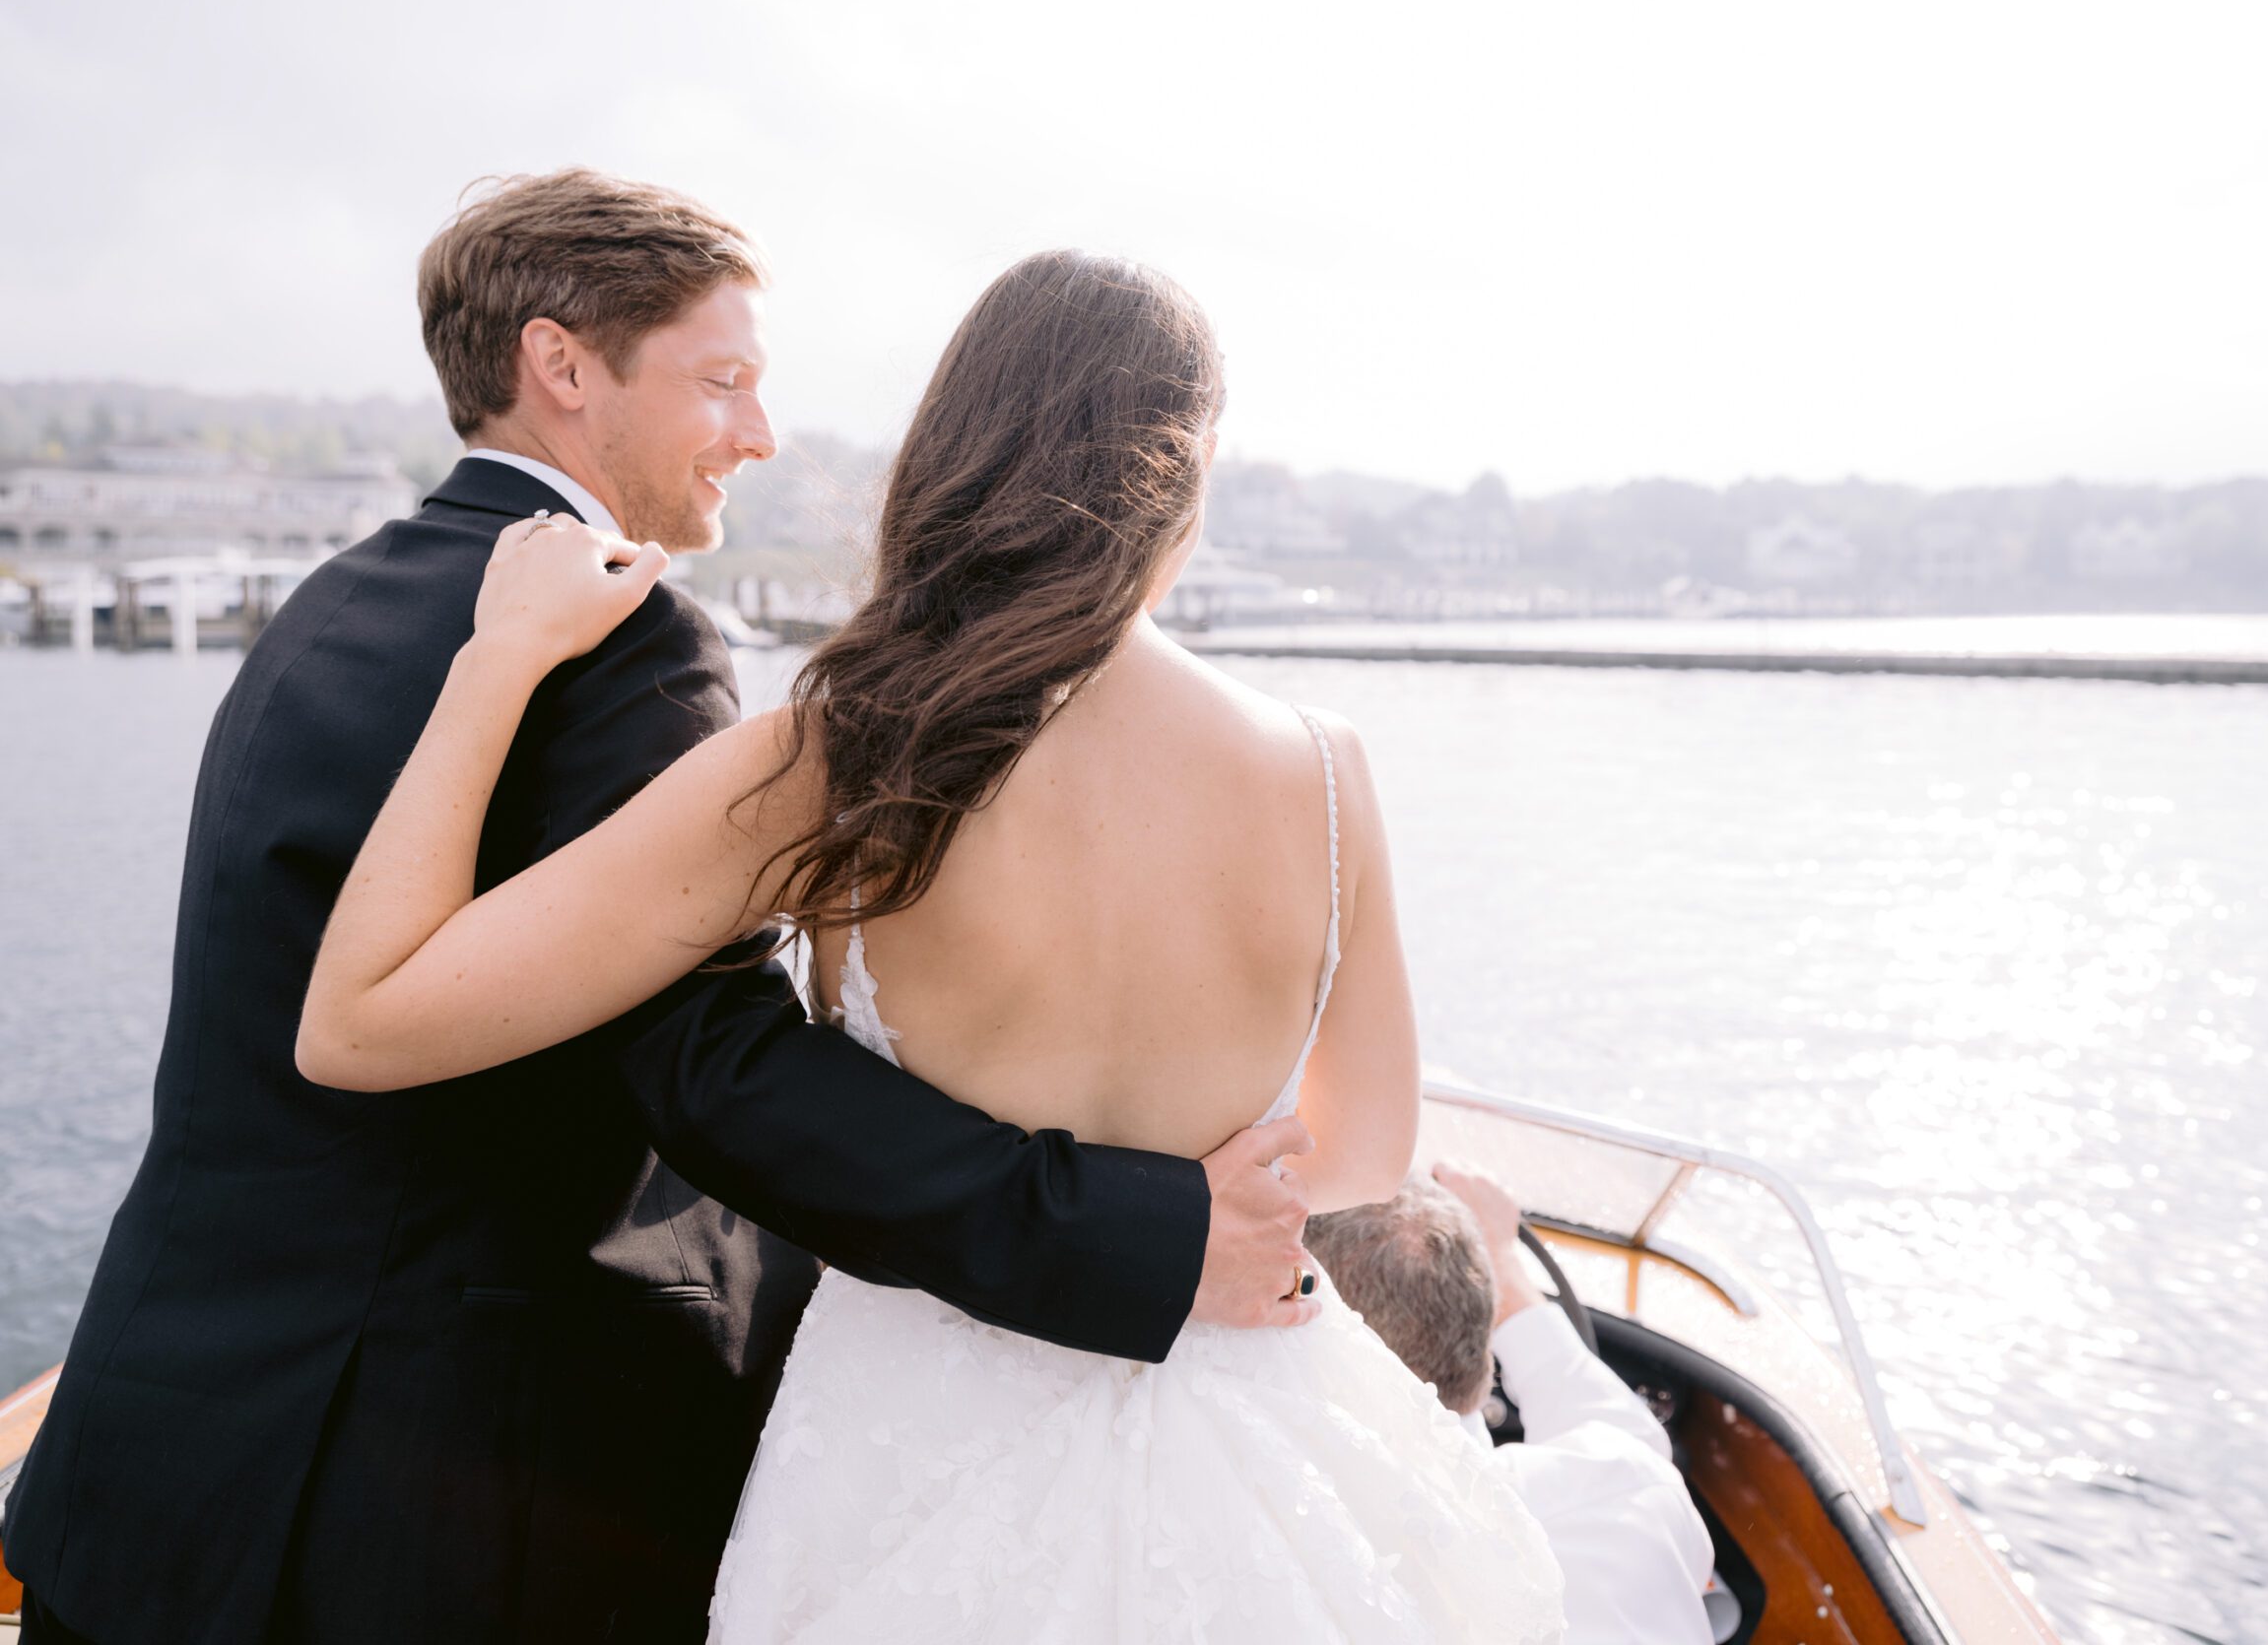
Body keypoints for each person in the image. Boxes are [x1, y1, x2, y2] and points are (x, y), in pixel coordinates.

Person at [0, 174, 1319, 1645]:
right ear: (562, 368)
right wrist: (1126, 1232)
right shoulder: (629, 642)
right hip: (402, 1515)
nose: (759, 434)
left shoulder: (322, 608)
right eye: (722, 380)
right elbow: (715, 1066)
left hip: (144, 1464)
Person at [289, 245, 1569, 1641]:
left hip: (914, 1445)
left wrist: (497, 663)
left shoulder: (846, 749)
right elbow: (1366, 1150)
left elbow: (361, 1022)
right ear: (1186, 472)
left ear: (957, 451)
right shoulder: (1326, 771)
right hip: (1244, 1417)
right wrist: (1183, 1197)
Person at [1306, 1166, 1720, 1645]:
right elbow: (1622, 1428)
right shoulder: (1629, 1485)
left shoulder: (1315, 1538)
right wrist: (1501, 1259)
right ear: (1483, 1318)